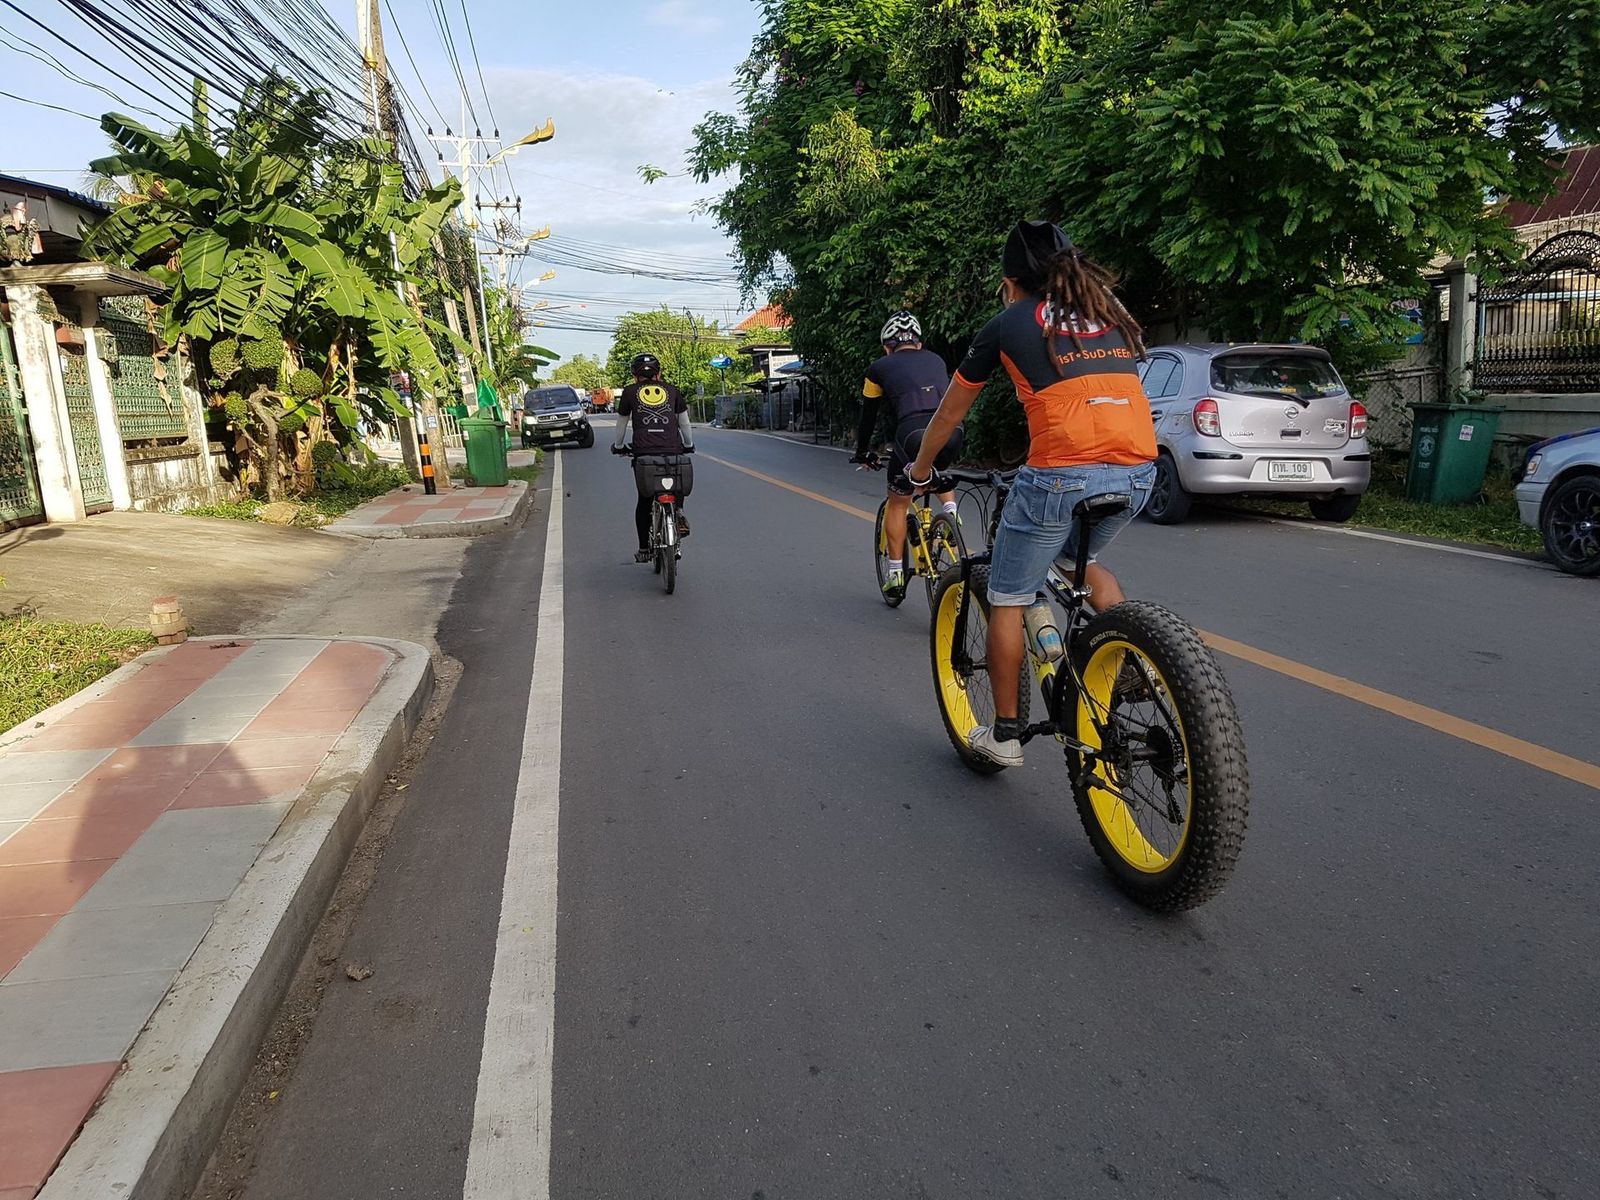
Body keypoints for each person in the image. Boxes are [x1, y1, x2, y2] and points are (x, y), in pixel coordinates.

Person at [905, 221, 1158, 767]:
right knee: (1076, 560)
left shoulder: (1008, 322)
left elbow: (949, 413)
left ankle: (1005, 736)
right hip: (1139, 470)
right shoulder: (1106, 311)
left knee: (1008, 595)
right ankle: (1133, 660)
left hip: (1061, 474)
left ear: (1010, 281)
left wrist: (921, 469)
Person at [849, 311, 965, 599]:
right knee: (938, 471)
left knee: (898, 503)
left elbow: (868, 416)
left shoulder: (878, 368)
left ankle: (895, 573)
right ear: (919, 343)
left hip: (912, 433)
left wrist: (863, 452)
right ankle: (951, 516)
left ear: (887, 347)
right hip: (952, 429)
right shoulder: (936, 359)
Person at [611, 353, 695, 562]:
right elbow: (684, 423)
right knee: (675, 487)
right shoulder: (672, 390)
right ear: (659, 373)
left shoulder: (629, 392)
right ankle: (678, 512)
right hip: (673, 450)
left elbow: (622, 423)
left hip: (644, 453)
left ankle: (643, 549)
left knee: (644, 500)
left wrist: (619, 446)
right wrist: (688, 444)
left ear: (634, 375)